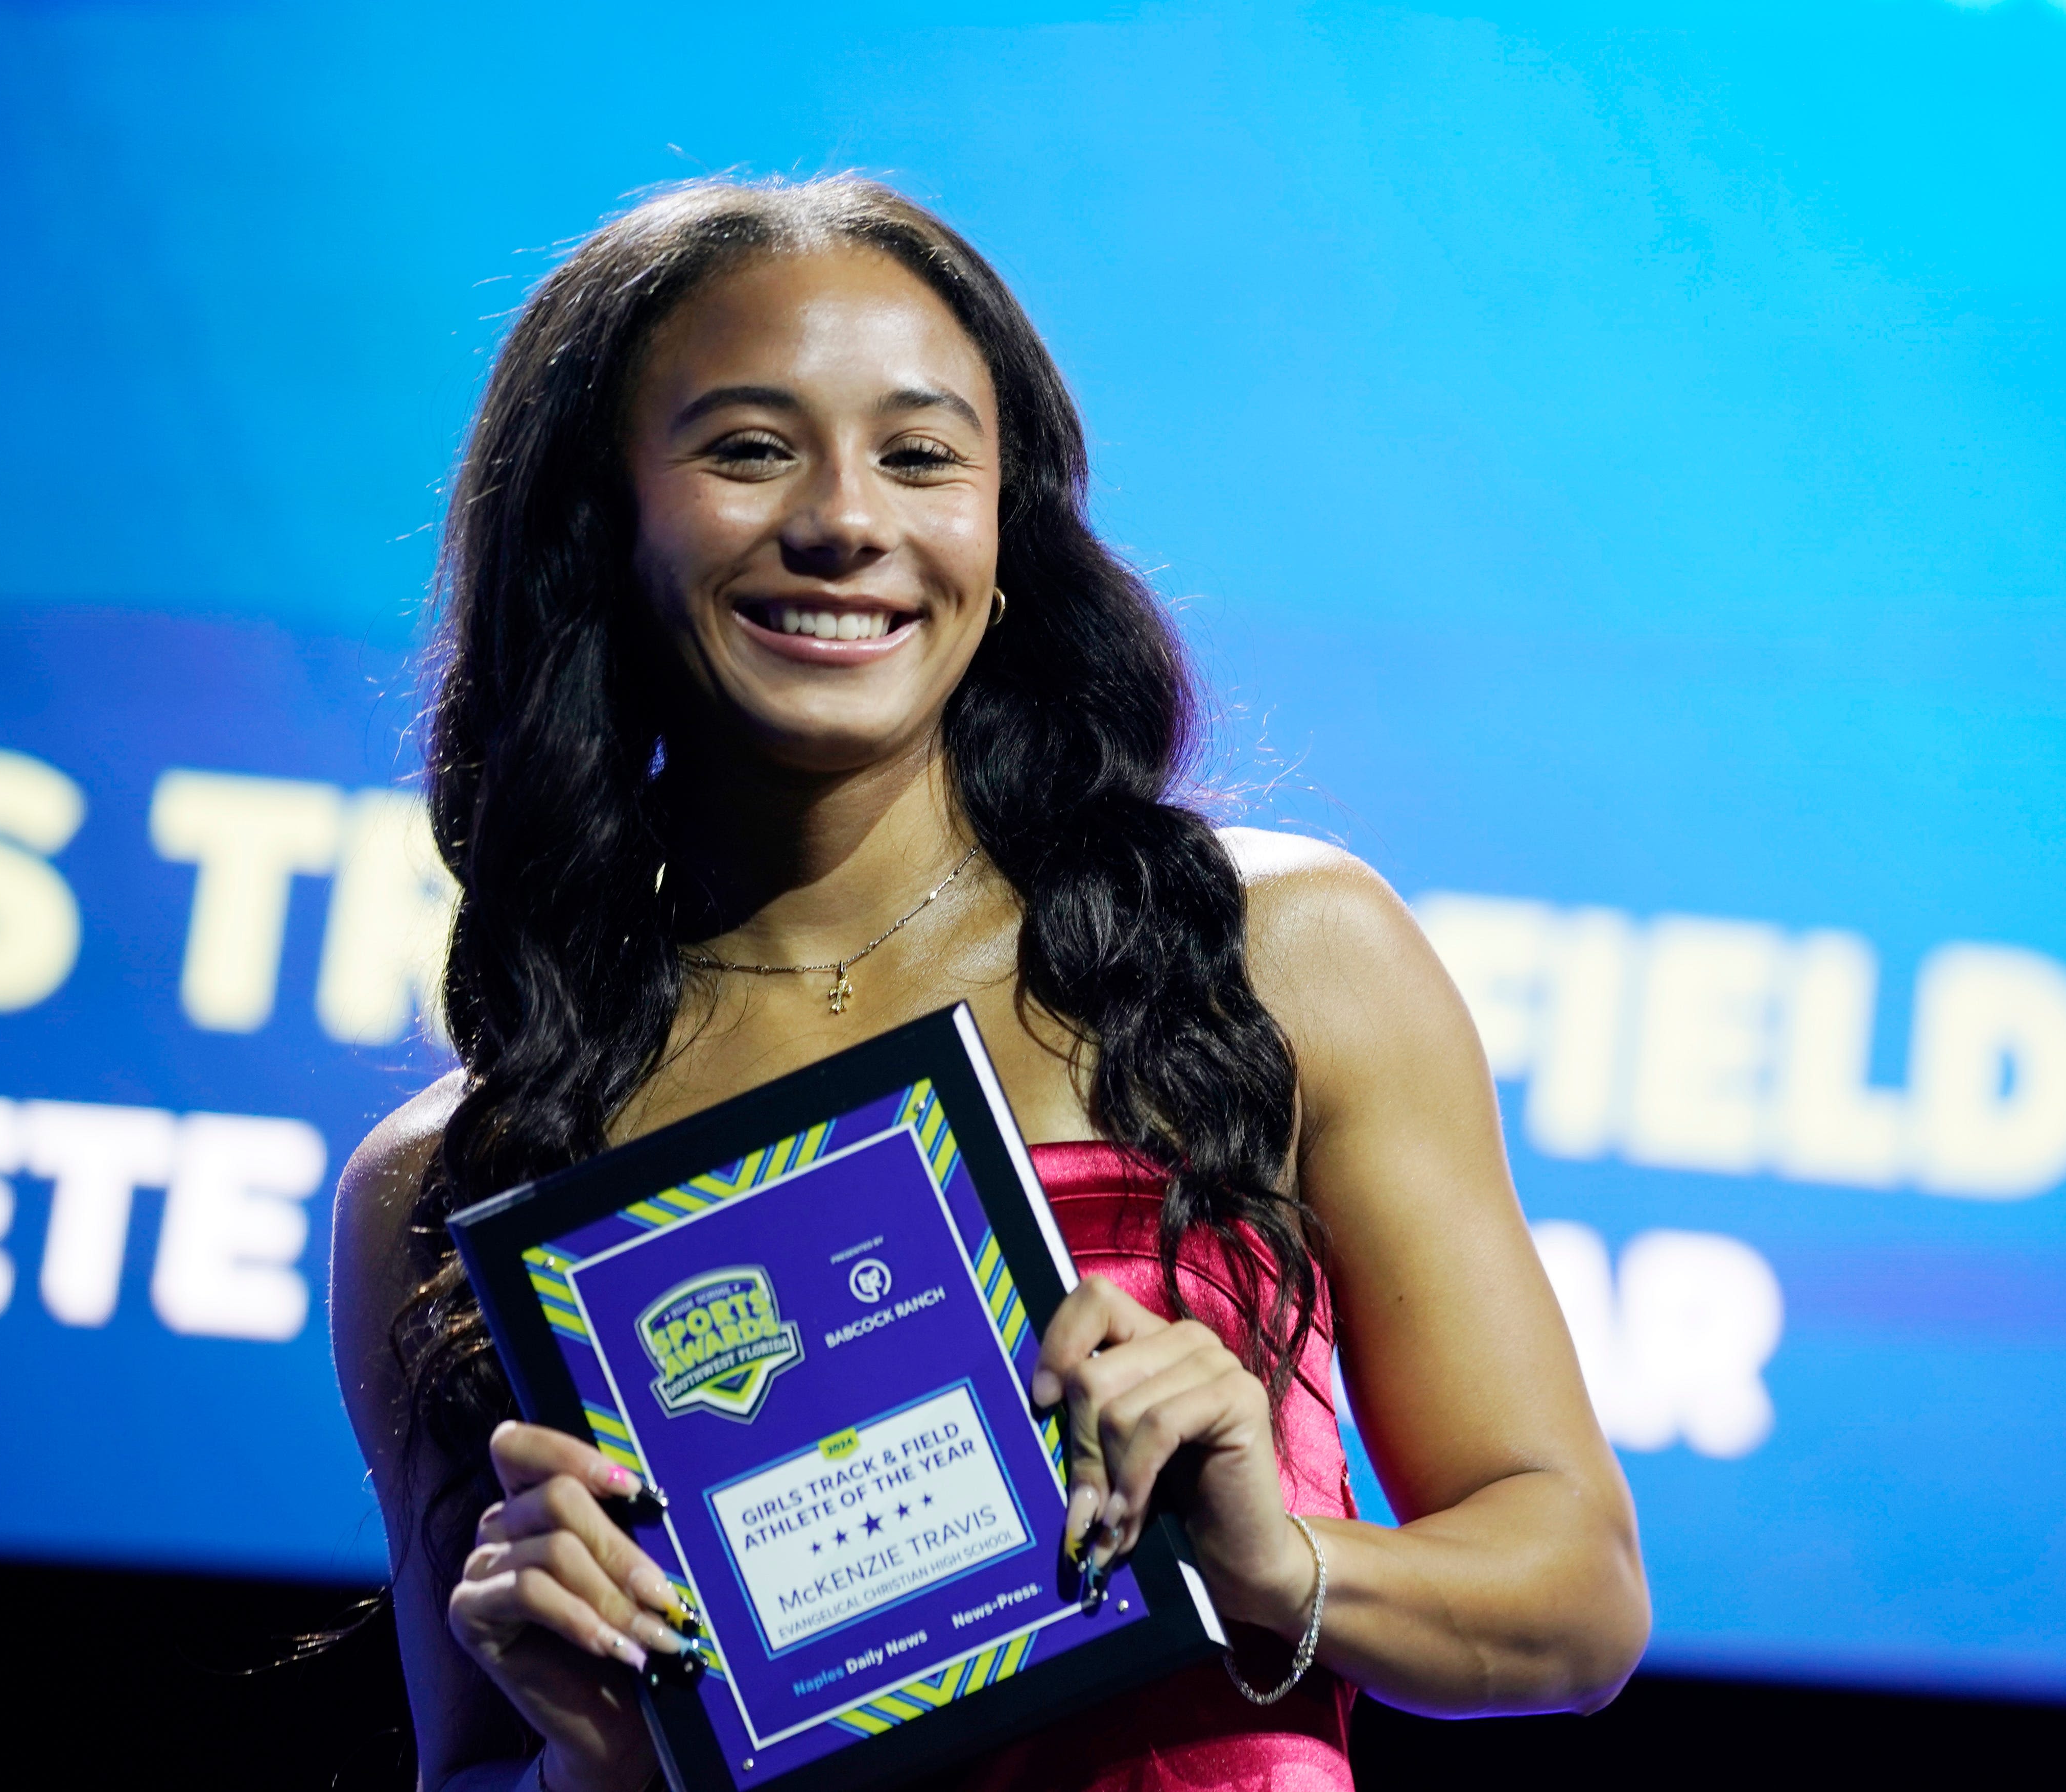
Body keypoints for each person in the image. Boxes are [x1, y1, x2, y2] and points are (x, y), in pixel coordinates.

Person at [331, 175, 1648, 1792]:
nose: (845, 518)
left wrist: (1272, 1559)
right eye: (749, 449)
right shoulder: (445, 1182)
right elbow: (476, 1773)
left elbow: (1572, 1602)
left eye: (922, 454)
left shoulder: (1275, 954)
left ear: (1003, 535)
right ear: (600, 530)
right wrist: (598, 1763)